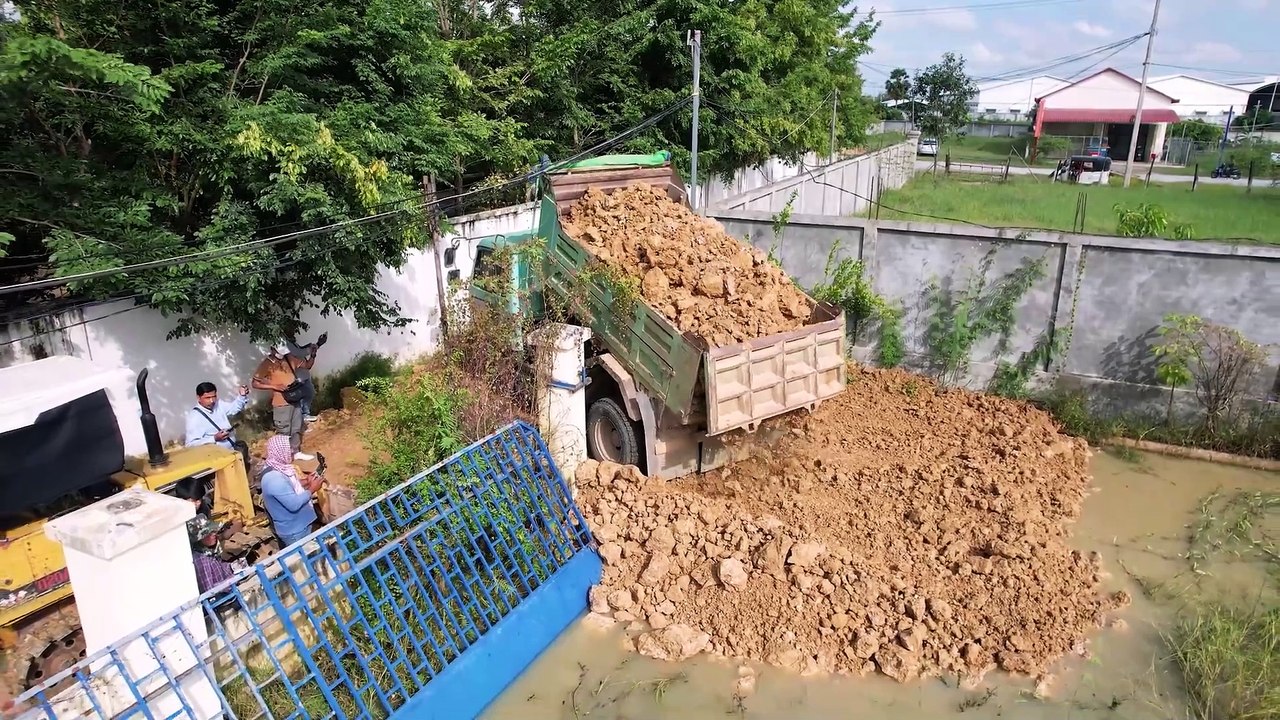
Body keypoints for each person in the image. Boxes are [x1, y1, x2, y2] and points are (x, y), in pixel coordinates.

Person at [252, 341, 317, 460]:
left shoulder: (289, 358)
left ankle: (296, 452)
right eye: (279, 352)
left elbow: (307, 366)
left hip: (295, 398)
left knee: (296, 427)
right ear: (272, 350)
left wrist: (313, 355)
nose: (282, 354)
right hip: (280, 402)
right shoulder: (266, 364)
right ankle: (283, 457)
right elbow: (255, 383)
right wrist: (274, 386)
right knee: (283, 431)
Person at [260, 434, 323, 547]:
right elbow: (294, 504)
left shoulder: (279, 468)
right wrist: (312, 489)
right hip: (296, 531)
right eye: (289, 449)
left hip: (300, 526)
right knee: (307, 560)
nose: (293, 451)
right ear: (280, 451)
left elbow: (288, 488)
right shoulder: (274, 479)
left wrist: (306, 482)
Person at [185, 381, 251, 470]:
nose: (212, 401)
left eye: (214, 397)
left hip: (232, 452)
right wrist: (214, 438)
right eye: (207, 398)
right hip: (216, 461)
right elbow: (190, 445)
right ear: (198, 398)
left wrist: (242, 396)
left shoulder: (218, 404)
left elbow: (233, 409)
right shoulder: (194, 418)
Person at [285, 336, 324, 424]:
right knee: (307, 394)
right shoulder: (288, 344)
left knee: (309, 393)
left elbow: (302, 352)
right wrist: (315, 346)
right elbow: (299, 353)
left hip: (304, 377)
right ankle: (304, 415)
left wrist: (316, 345)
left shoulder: (293, 344)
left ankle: (304, 416)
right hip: (299, 379)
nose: (294, 333)